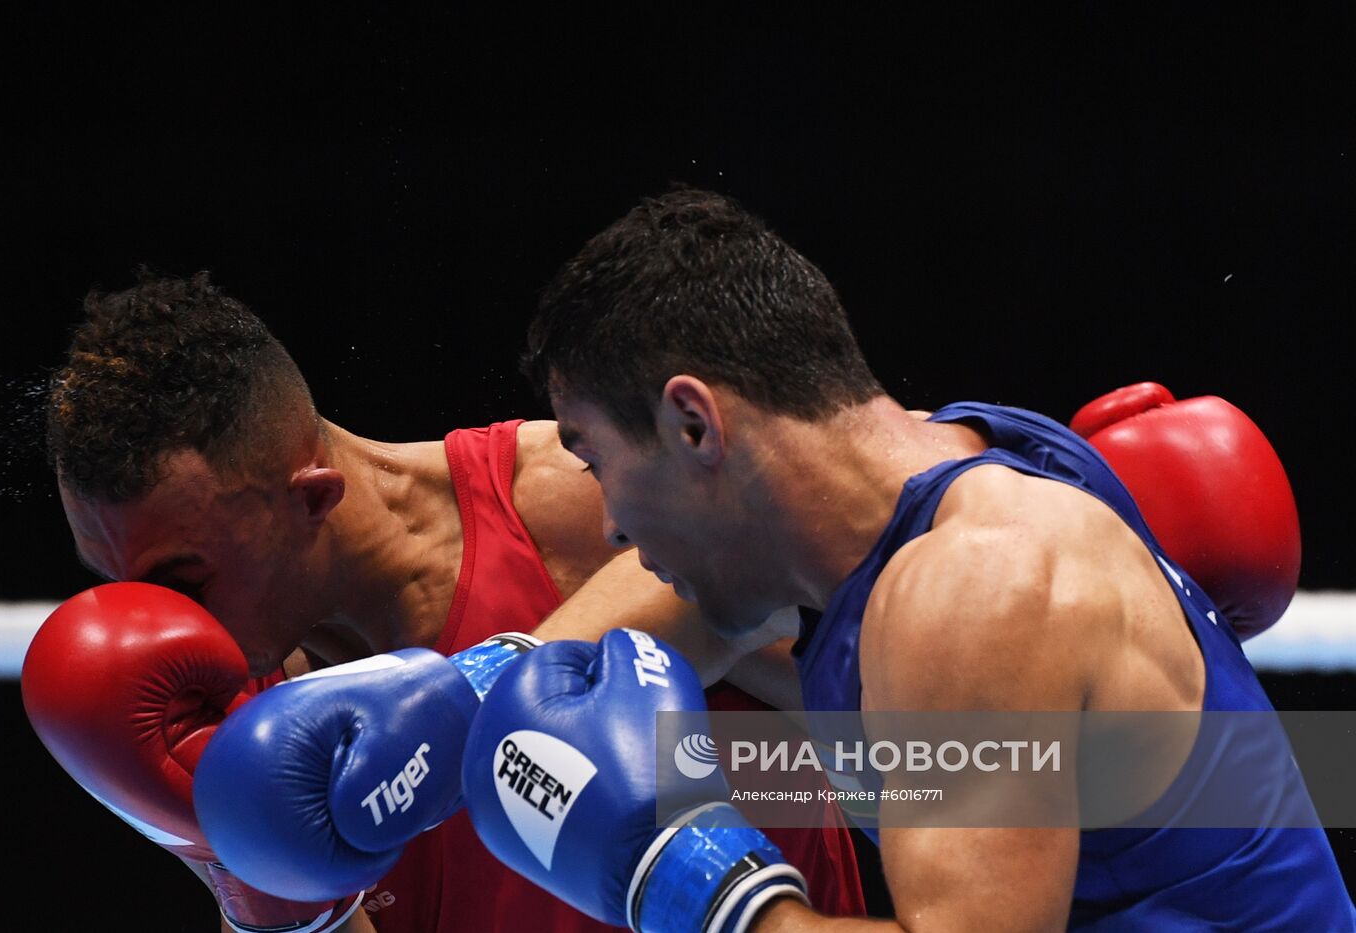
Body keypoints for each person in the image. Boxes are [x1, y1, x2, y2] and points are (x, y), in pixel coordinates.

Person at [441, 188, 1352, 931]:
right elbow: (691, 598)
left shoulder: (971, 588)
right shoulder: (941, 466)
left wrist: (693, 886)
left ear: (693, 423)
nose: (610, 526)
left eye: (598, 462)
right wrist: (475, 694)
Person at [31, 270, 867, 932]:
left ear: (314, 497)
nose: (163, 621)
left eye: (183, 580)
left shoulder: (588, 506)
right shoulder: (242, 700)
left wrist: (700, 833)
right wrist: (248, 880)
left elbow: (961, 767)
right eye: (123, 587)